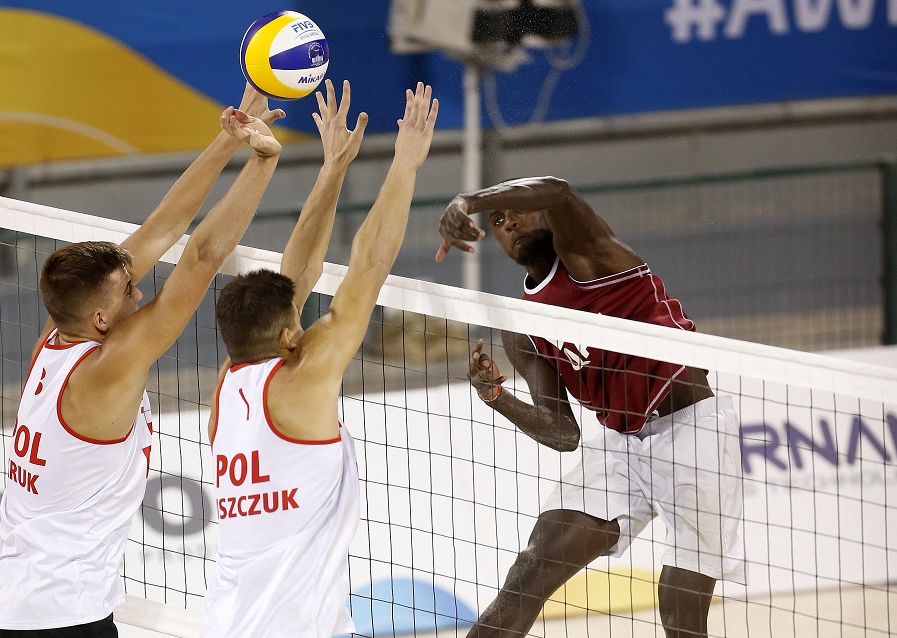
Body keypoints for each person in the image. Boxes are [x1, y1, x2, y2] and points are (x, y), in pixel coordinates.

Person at [0, 84, 285, 637]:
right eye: (127, 292)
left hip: (3, 610)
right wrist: (262, 162)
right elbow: (203, 257)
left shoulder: (56, 337)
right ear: (100, 317)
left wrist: (228, 137)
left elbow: (165, 227)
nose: (138, 294)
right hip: (59, 621)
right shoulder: (105, 371)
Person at [435, 176, 746, 638]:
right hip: (620, 445)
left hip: (693, 430)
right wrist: (498, 398)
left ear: (544, 214)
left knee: (680, 609)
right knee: (530, 571)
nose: (510, 223)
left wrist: (469, 201)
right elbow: (565, 434)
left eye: (517, 211)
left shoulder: (592, 256)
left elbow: (558, 189)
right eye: (497, 222)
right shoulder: (521, 327)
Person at [202, 82, 438, 638]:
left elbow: (295, 278)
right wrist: (404, 164)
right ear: (289, 338)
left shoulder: (226, 387)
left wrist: (333, 167)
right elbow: (370, 265)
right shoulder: (304, 377)